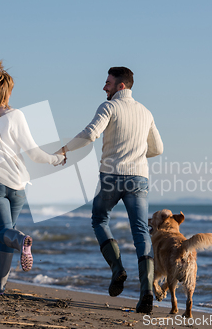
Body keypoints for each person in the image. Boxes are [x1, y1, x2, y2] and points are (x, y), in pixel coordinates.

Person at [56, 67, 163, 313]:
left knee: (99, 219)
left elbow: (91, 134)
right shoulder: (146, 112)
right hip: (138, 178)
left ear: (121, 86)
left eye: (108, 83)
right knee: (140, 232)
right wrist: (135, 152)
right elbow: (158, 148)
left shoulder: (109, 107)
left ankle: (117, 269)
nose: (104, 87)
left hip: (112, 177)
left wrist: (65, 149)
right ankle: (146, 291)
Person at [0, 61, 66, 295]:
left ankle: (21, 241)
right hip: (18, 185)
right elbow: (33, 153)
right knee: (5, 235)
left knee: (4, 233)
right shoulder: (16, 115)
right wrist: (56, 159)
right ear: (8, 91)